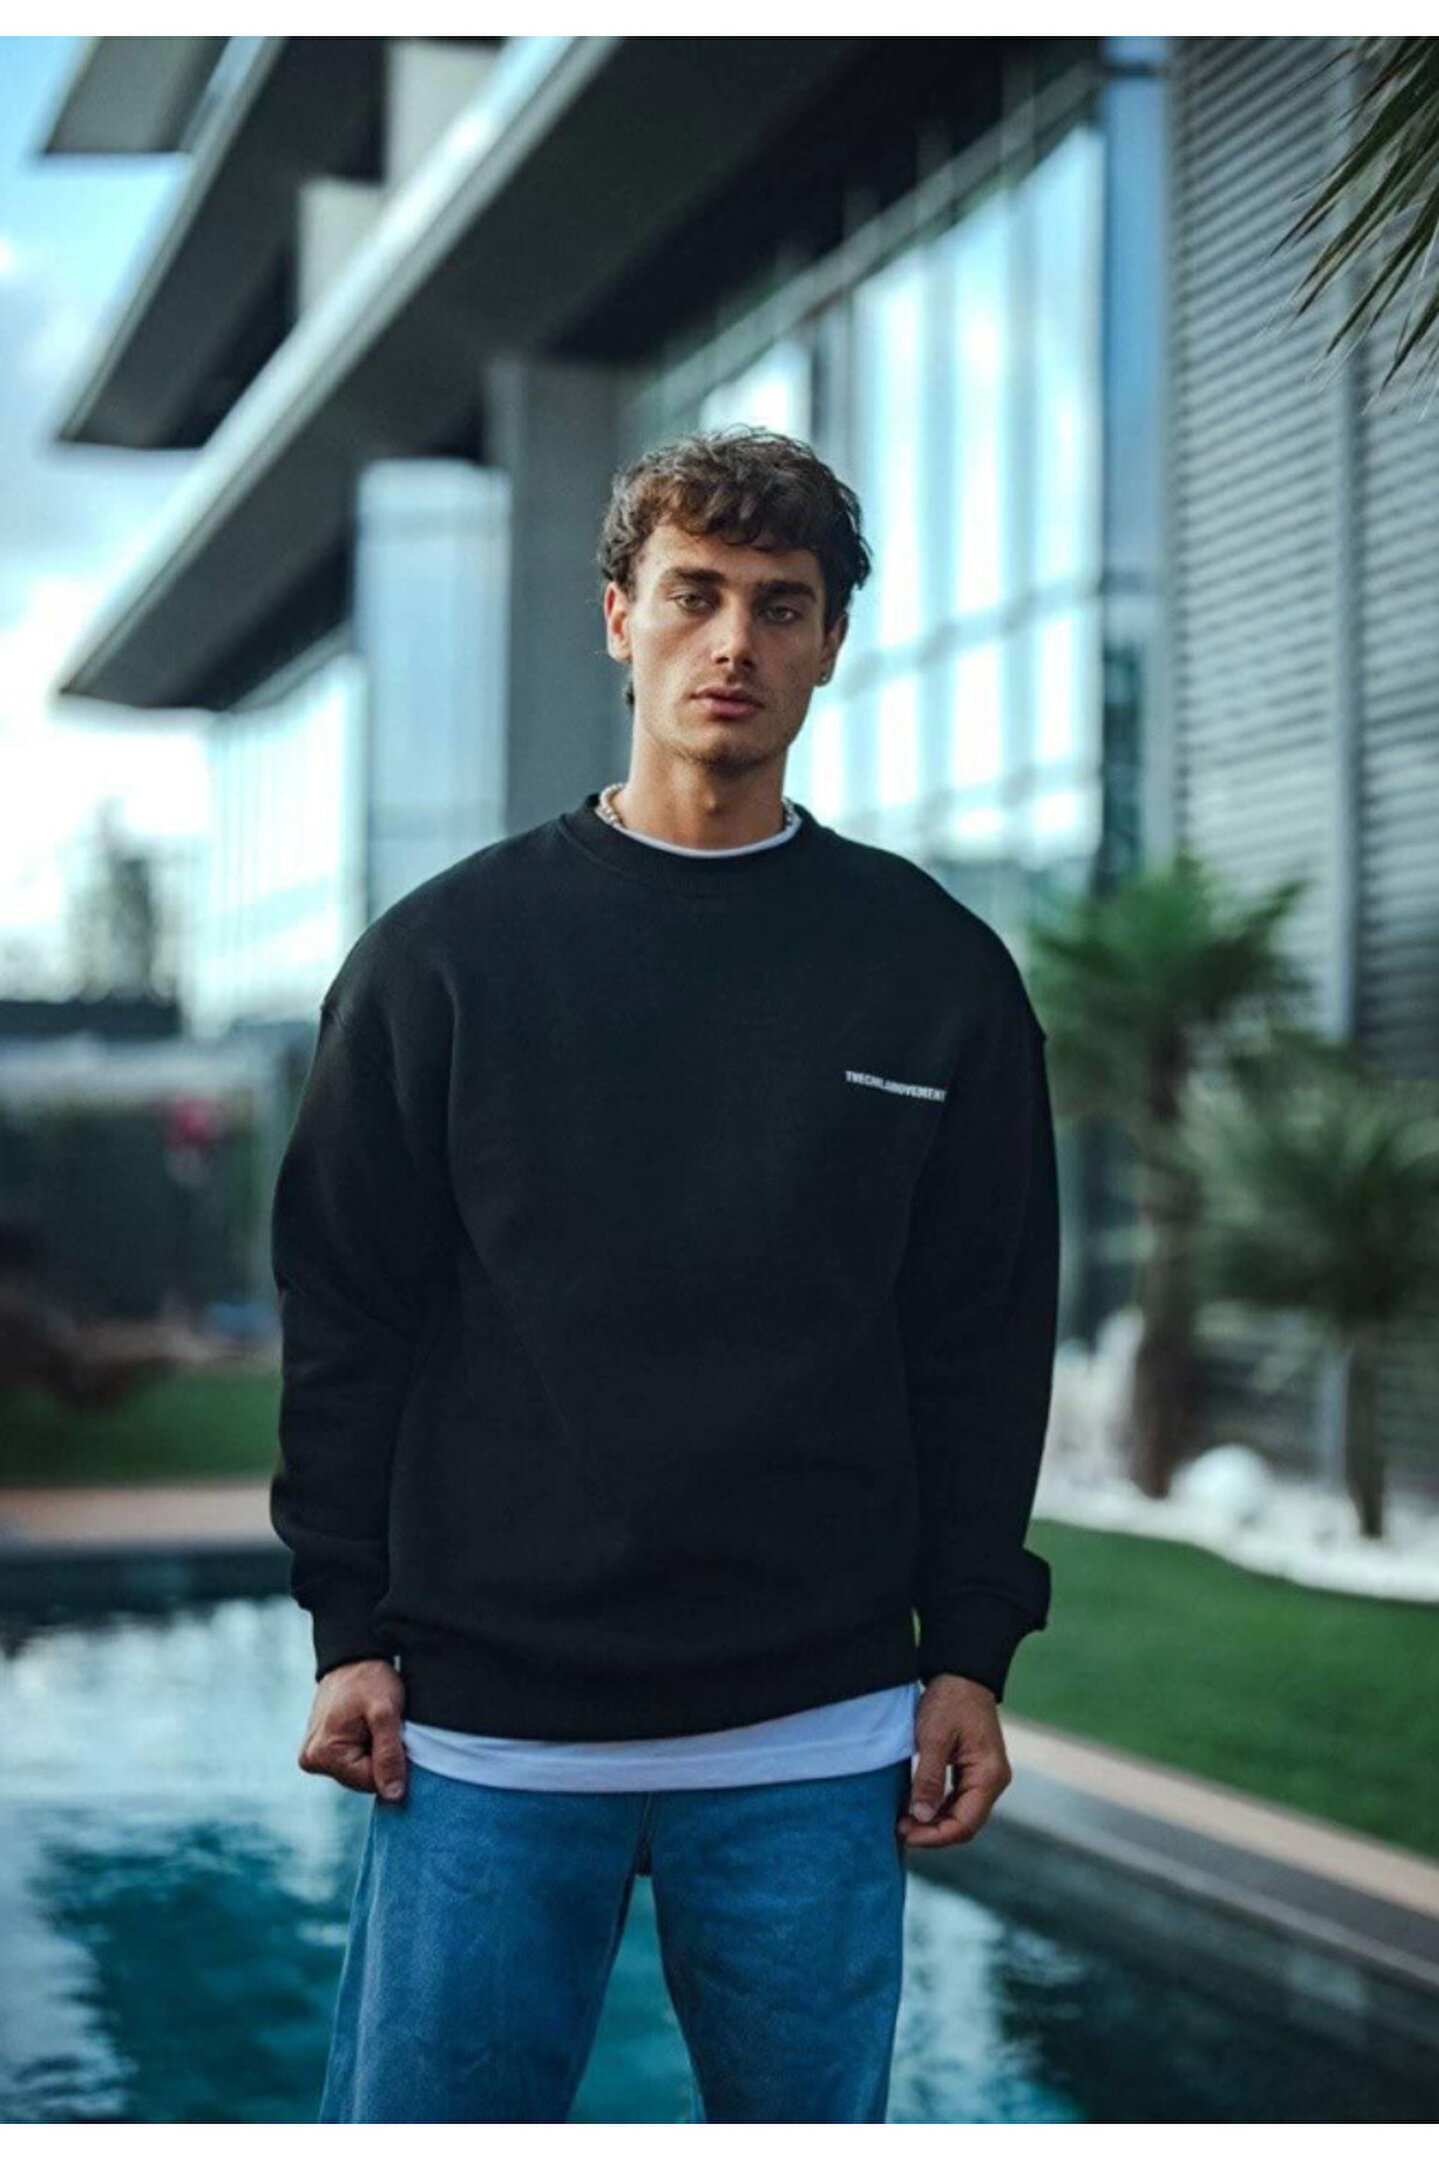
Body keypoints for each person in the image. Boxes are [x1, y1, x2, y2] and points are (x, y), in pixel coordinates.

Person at [270, 425, 1060, 2125]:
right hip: (487, 1732)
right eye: (694, 595)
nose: (735, 642)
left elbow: (984, 1344)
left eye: (782, 605)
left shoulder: (935, 972)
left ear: (831, 643)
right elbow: (348, 1317)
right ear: (618, 616)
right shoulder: (443, 960)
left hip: (816, 1731)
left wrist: (971, 1652)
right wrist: (348, 1628)